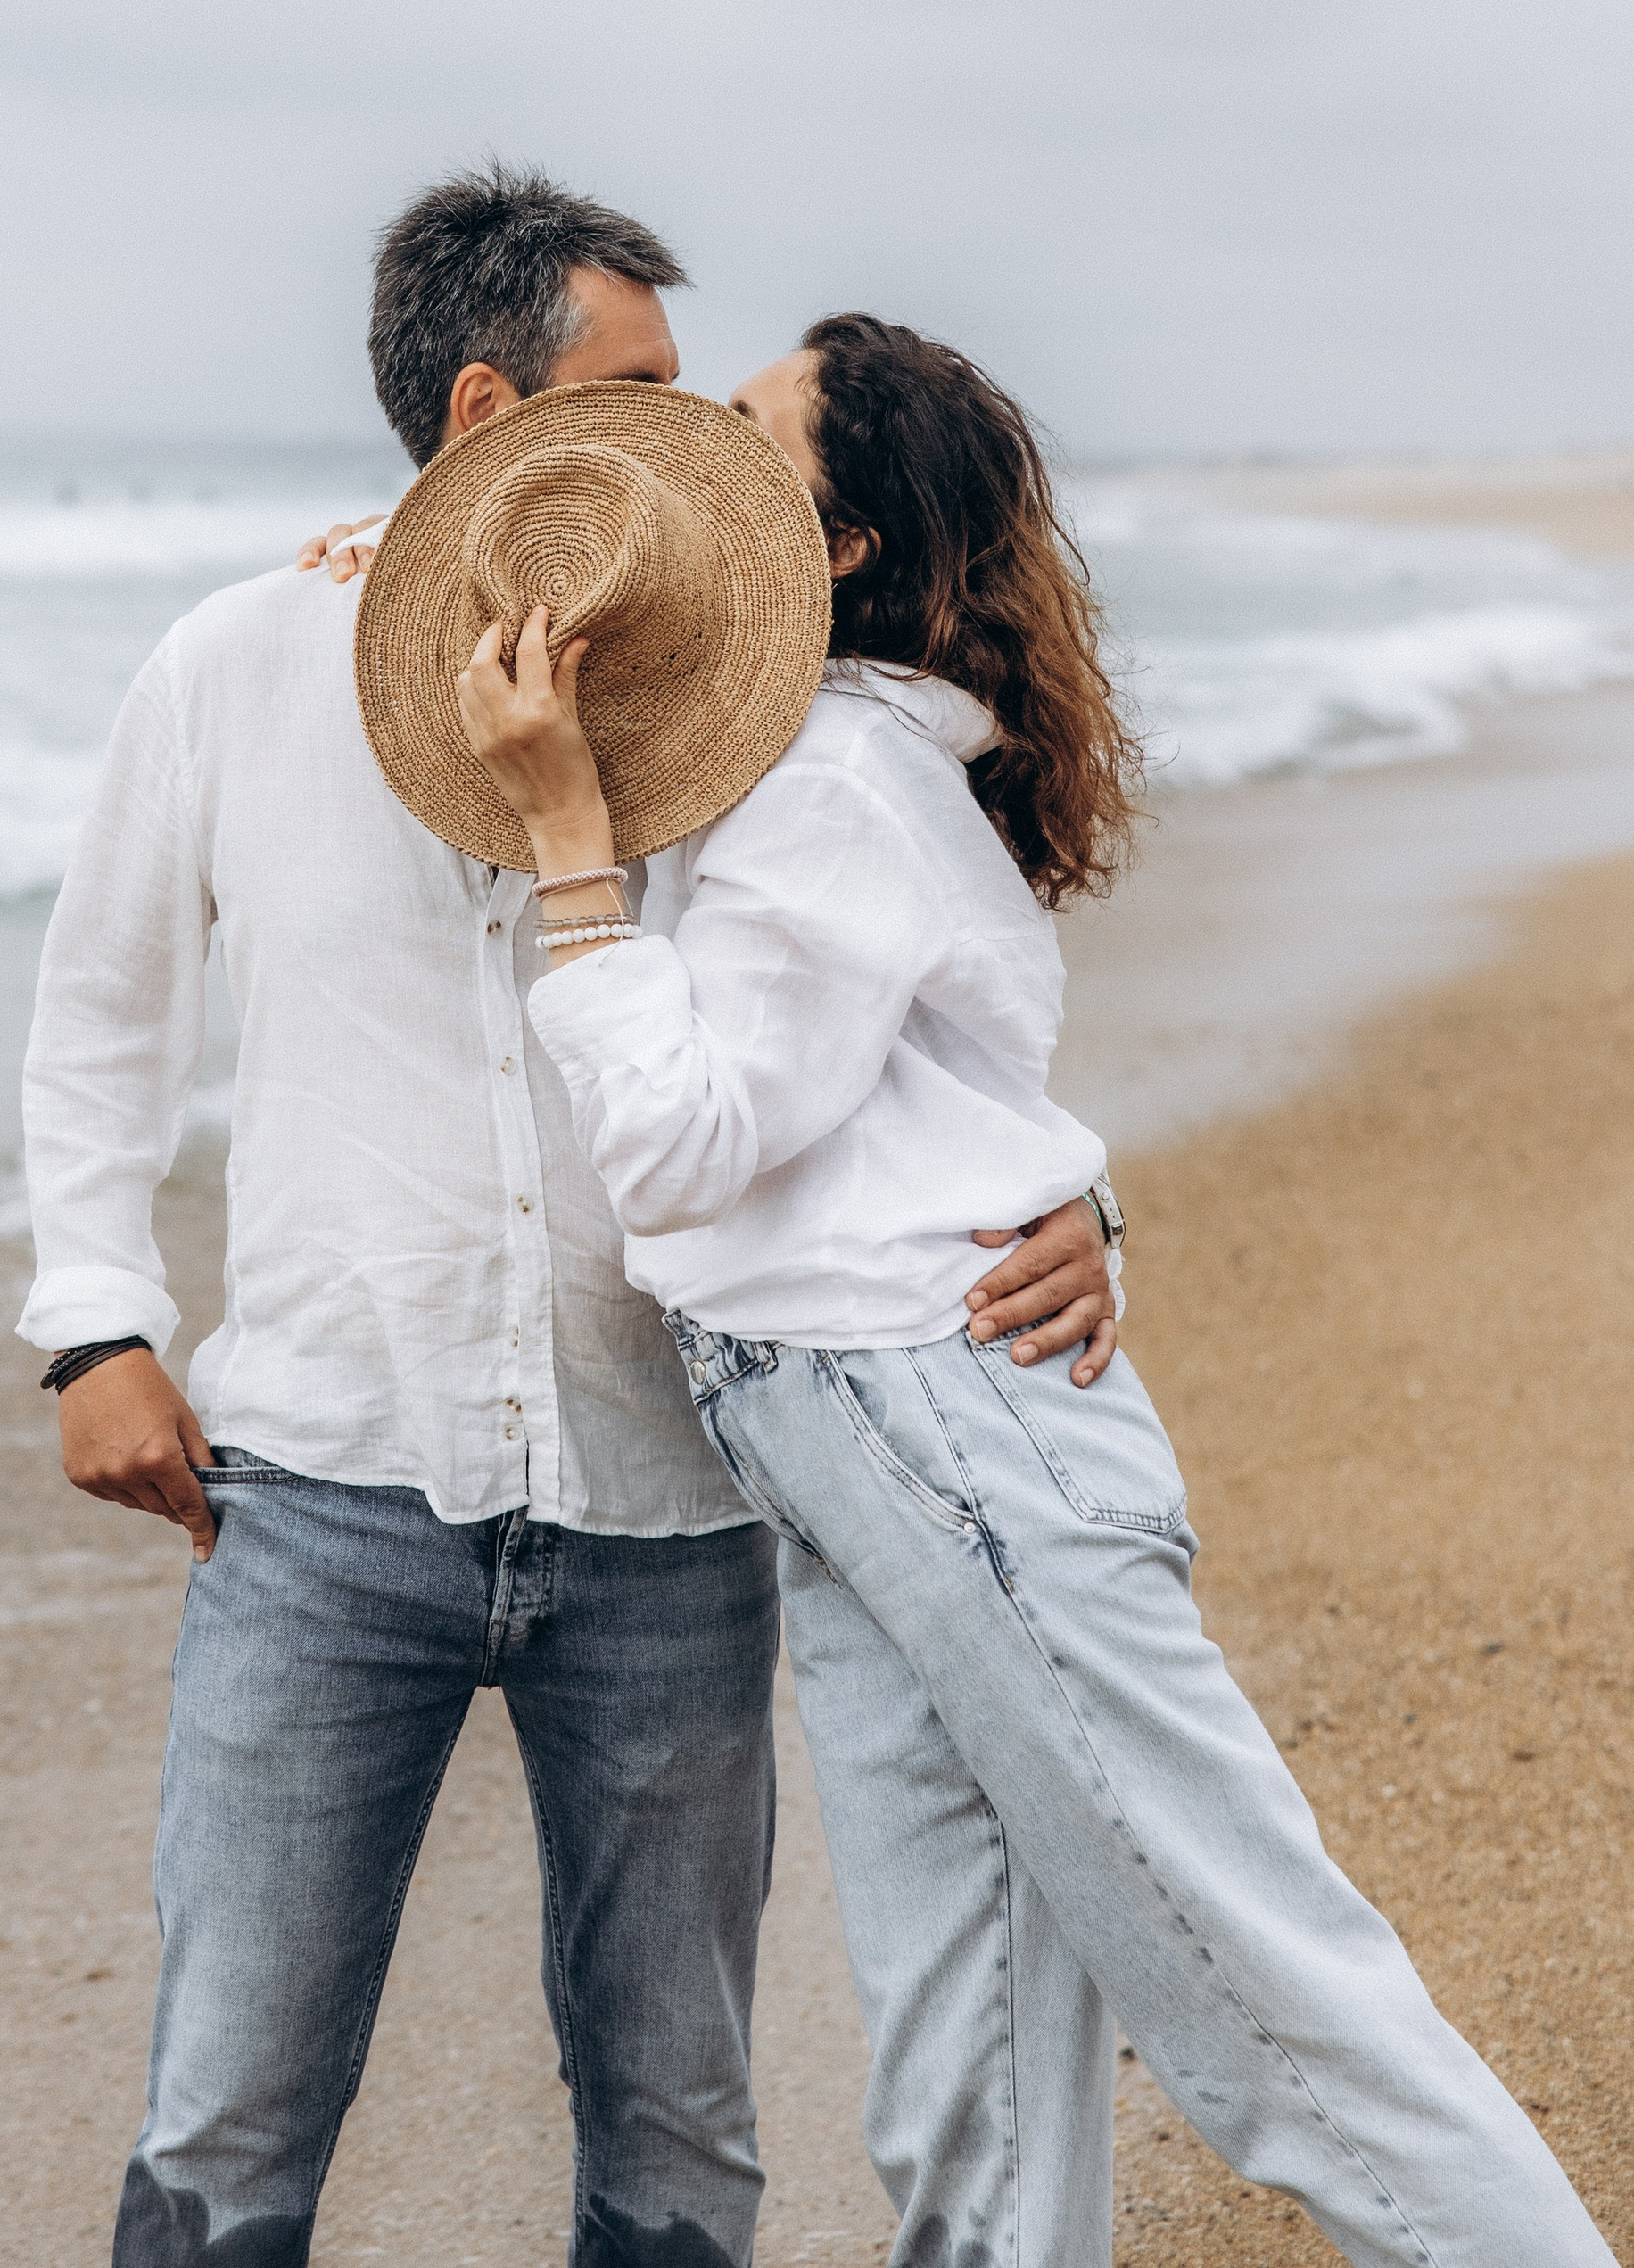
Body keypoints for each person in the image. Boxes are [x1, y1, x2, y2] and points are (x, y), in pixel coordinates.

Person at [20, 174, 1120, 2268]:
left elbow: (921, 1012)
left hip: (677, 1498)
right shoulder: (238, 666)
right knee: (230, 2109)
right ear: (478, 410)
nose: (693, 444)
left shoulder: (742, 700)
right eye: (640, 392)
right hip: (322, 1492)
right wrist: (95, 1326)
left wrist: (1080, 1203)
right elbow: (98, 1015)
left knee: (681, 2129)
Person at [450, 313, 1612, 2268]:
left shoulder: (824, 776)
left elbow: (680, 1147)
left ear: (834, 543)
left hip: (933, 1415)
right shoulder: (815, 756)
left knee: (1276, 2022)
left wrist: (572, 855)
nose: (696, 455)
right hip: (873, 1434)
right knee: (966, 2088)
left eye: (743, 428)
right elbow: (942, 1112)